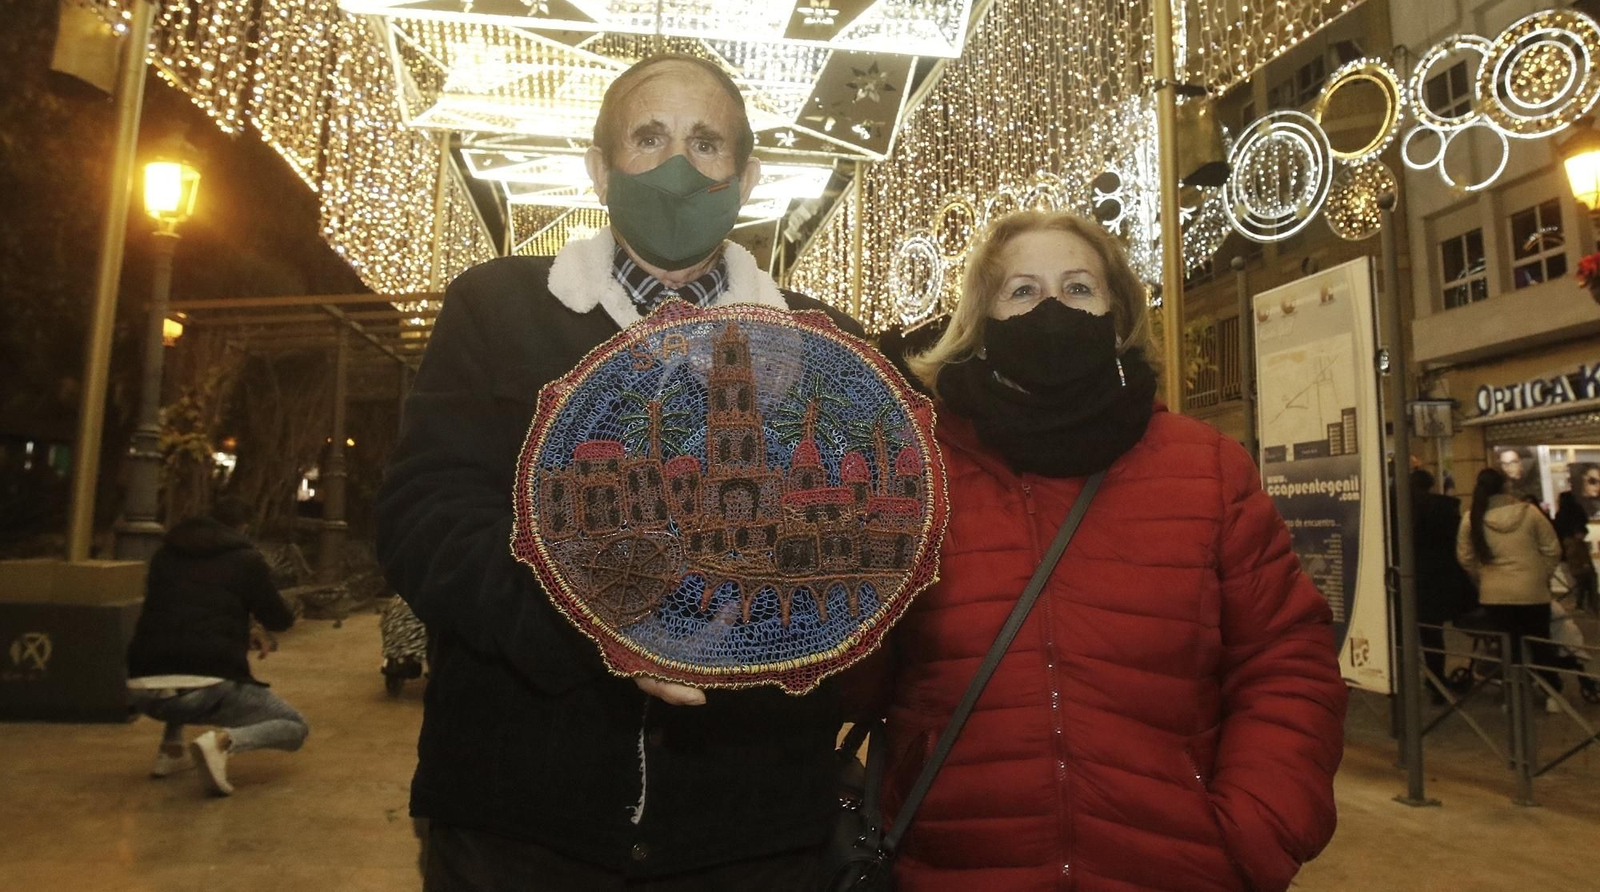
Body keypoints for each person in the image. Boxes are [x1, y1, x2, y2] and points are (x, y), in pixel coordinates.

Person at [377, 54, 865, 891]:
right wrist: (588, 618)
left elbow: (869, 553)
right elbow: (426, 516)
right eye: (649, 137)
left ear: (746, 178)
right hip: (520, 817)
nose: (679, 165)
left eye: (706, 142)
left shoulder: (831, 351)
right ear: (599, 168)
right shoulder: (497, 309)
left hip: (748, 829)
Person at [882, 210, 1346, 892]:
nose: (1051, 310)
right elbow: (858, 674)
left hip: (1174, 870)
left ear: (1116, 310)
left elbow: (1286, 663)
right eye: (1021, 291)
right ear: (980, 323)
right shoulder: (919, 472)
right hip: (958, 869)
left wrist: (1251, 833)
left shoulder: (1205, 468)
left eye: (1077, 288)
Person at [125, 498, 306, 797]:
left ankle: (170, 750)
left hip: (142, 690)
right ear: (242, 527)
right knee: (294, 725)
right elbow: (279, 618)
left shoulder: (165, 555)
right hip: (206, 691)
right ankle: (223, 743)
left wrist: (241, 629)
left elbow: (185, 613)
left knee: (180, 657)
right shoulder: (246, 559)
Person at [1457, 468, 1562, 686]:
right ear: (1506, 486)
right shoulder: (1530, 512)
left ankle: (1514, 696)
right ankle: (1551, 691)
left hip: (1495, 595)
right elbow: (1552, 549)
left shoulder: (1472, 518)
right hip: (1532, 592)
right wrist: (1541, 573)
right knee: (1540, 643)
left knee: (1509, 649)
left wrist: (1482, 576)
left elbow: (1465, 557)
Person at [1411, 468, 1473, 702]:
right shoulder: (1444, 509)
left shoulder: (1396, 510)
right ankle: (1435, 682)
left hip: (1405, 580)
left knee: (1401, 637)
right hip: (1438, 581)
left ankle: (1400, 686)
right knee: (1432, 636)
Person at [1553, 491, 1598, 613]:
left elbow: (1557, 531)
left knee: (1575, 576)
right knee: (1586, 574)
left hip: (1568, 547)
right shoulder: (1578, 511)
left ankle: (1579, 603)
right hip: (1579, 547)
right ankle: (1590, 602)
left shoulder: (1561, 515)